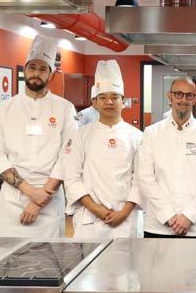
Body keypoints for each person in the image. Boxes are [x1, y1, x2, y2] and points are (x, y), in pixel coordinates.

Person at [0, 35, 77, 237]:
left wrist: (39, 199)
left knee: (49, 255)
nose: (36, 73)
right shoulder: (3, 108)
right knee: (6, 255)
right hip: (12, 200)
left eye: (43, 69)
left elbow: (67, 156)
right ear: (25, 70)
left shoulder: (65, 108)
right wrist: (31, 192)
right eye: (32, 67)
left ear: (50, 74)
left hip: (49, 200)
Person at [61, 60, 143, 238]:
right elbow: (72, 177)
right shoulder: (80, 135)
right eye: (103, 97)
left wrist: (124, 212)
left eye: (115, 97)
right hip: (90, 219)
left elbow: (140, 178)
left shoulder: (137, 136)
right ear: (95, 102)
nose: (109, 102)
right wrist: (97, 209)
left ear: (123, 101)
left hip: (126, 220)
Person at [138, 77, 196, 238]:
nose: (184, 100)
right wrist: (168, 215)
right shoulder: (151, 133)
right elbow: (146, 178)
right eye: (179, 94)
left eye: (189, 95)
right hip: (158, 226)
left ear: (194, 99)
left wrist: (189, 216)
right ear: (169, 97)